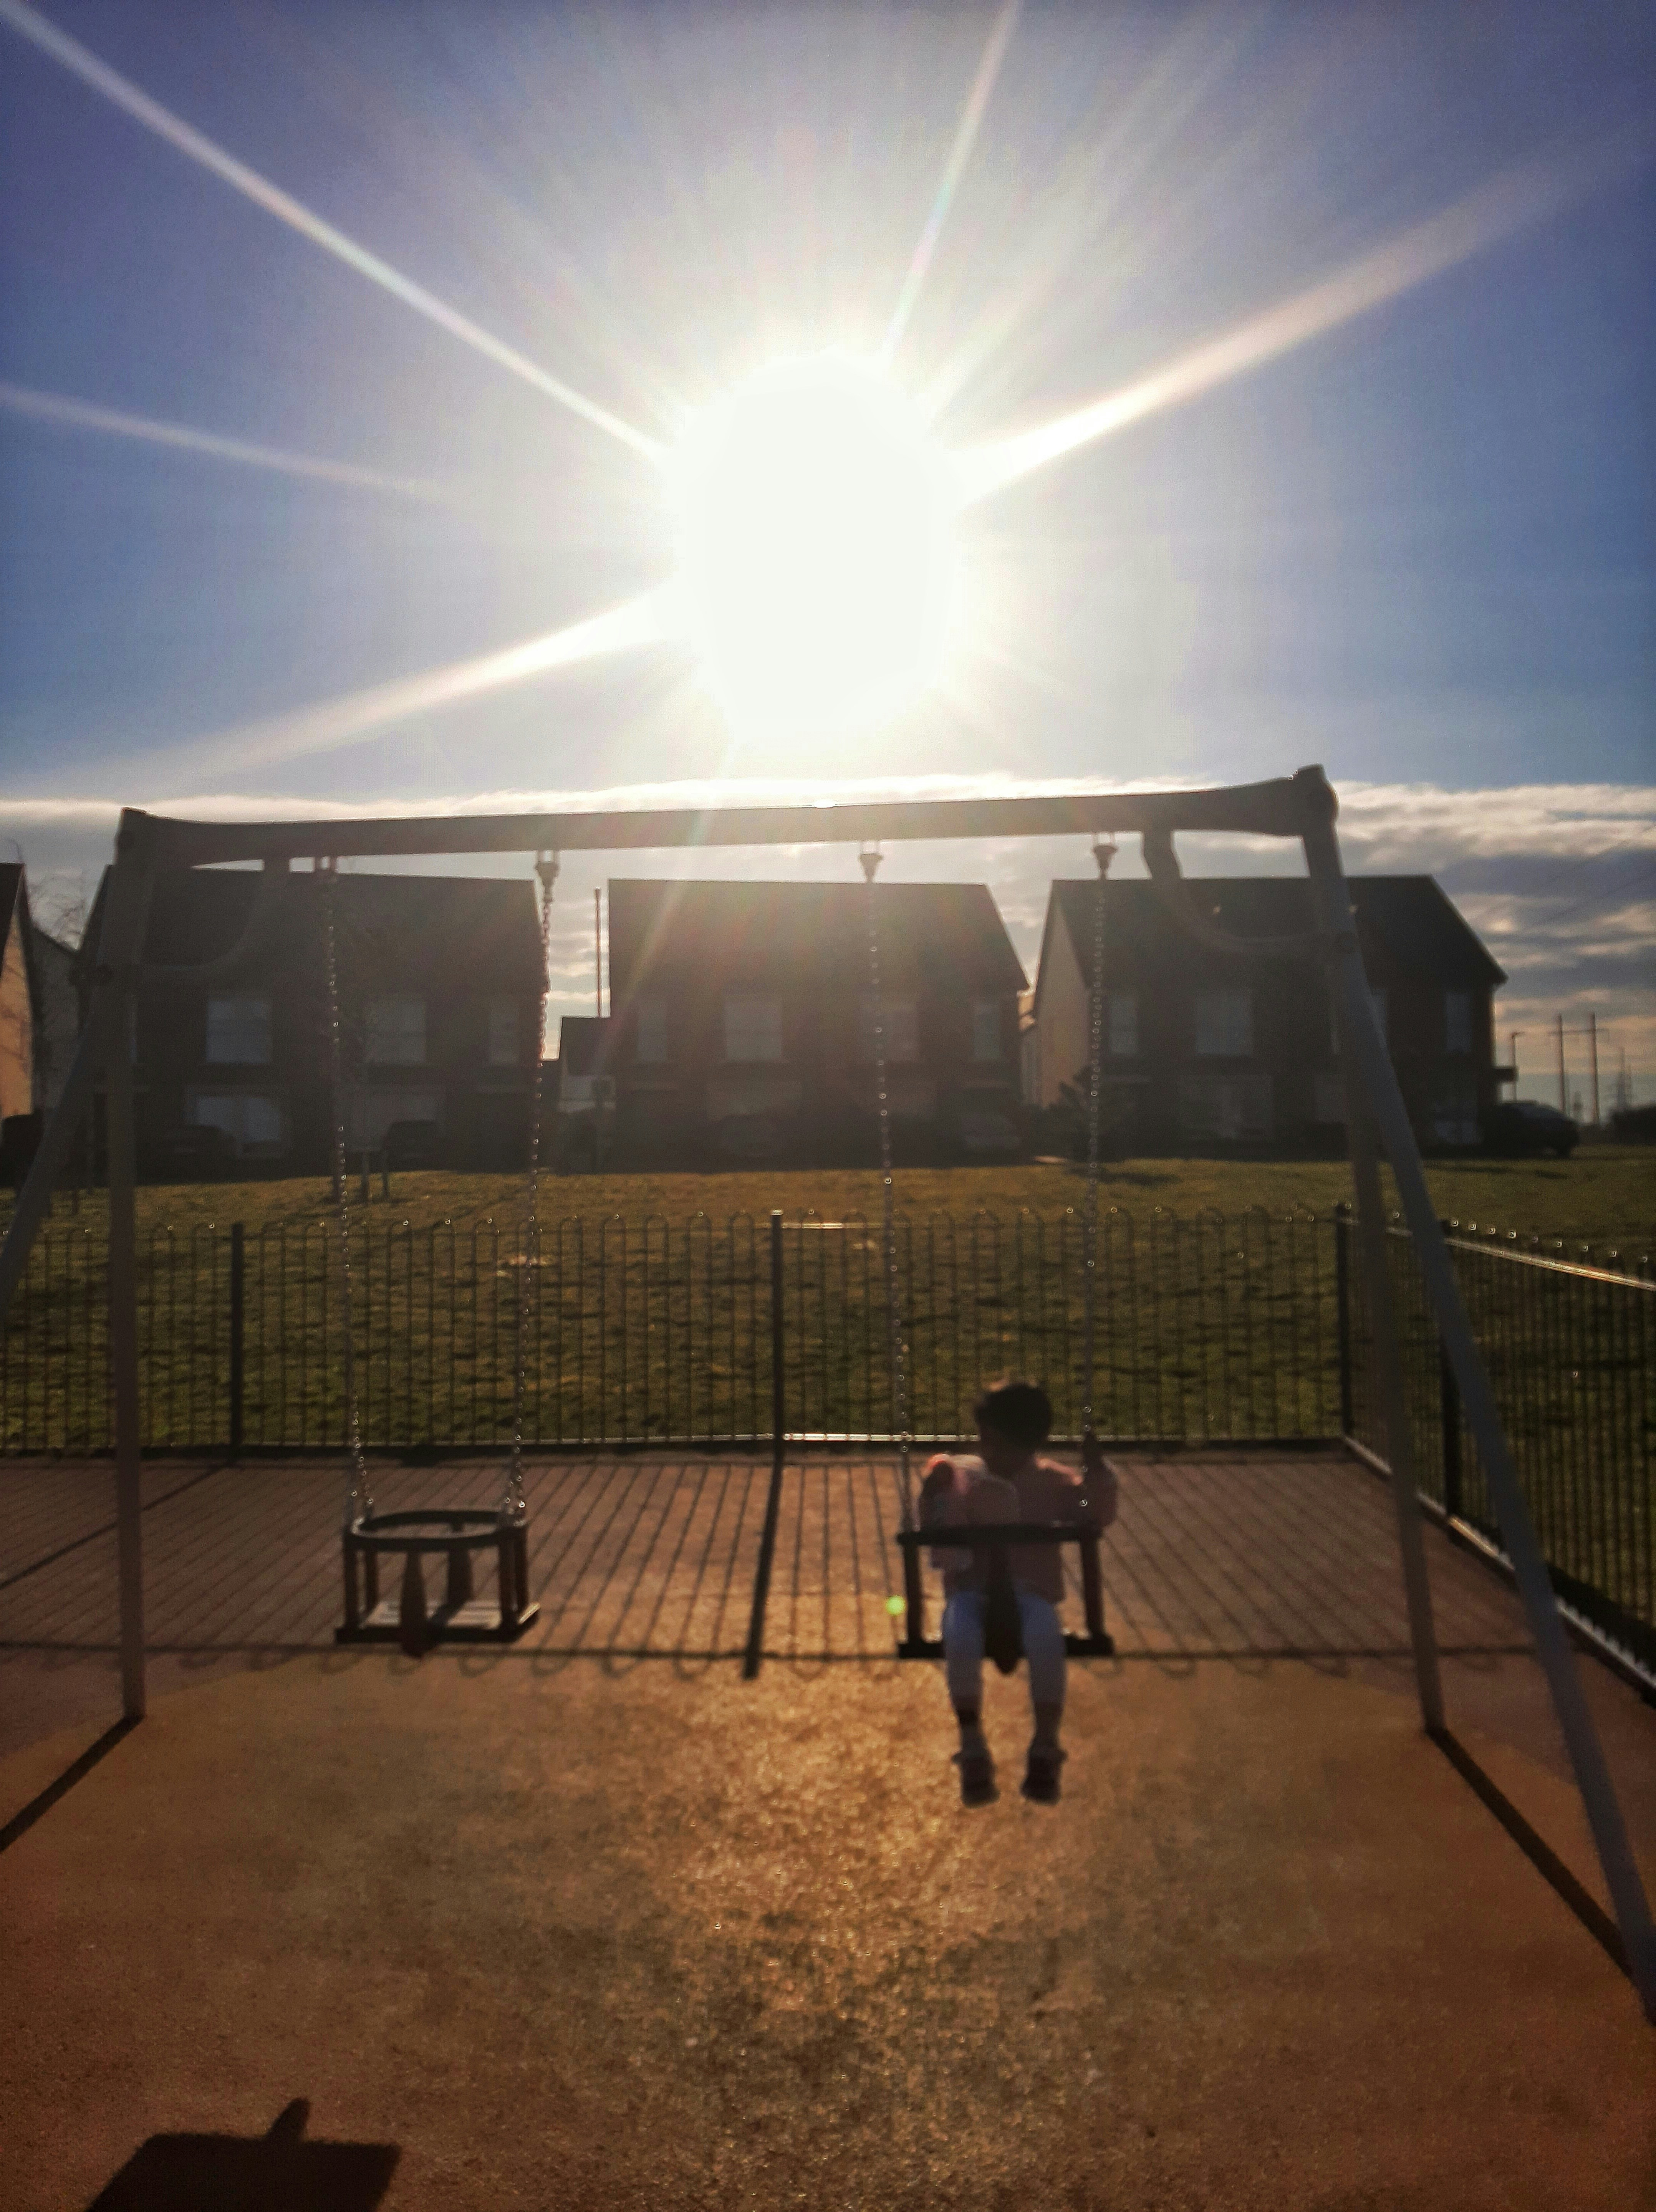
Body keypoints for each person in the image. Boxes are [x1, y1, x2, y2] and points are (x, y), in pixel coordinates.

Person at [919, 1379, 1117, 1806]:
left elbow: (1092, 1513)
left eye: (999, 1444)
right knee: (959, 1634)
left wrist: (1097, 1475)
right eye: (984, 1441)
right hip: (971, 1590)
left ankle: (1045, 1744)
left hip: (1031, 1593)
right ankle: (971, 1742)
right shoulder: (962, 1481)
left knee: (1047, 1635)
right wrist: (933, 1490)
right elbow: (936, 1524)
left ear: (1029, 1445)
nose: (989, 1452)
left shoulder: (1053, 1484)